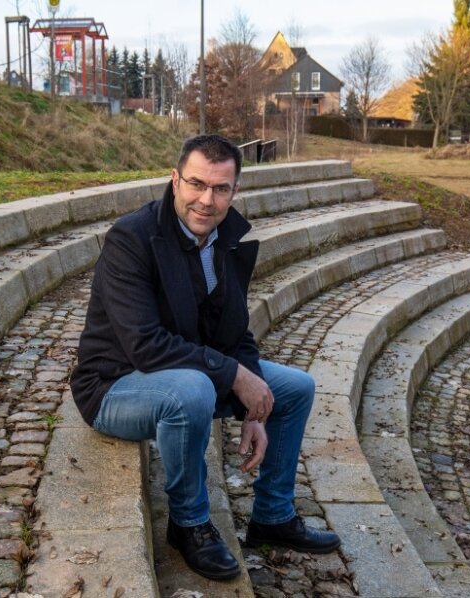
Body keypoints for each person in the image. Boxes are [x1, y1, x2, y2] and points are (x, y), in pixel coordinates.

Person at [70, 134, 340, 581]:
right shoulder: (132, 239)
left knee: (294, 389)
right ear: (175, 180)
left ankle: (273, 515)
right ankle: (189, 524)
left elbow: (236, 332)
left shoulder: (225, 240)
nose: (206, 200)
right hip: (116, 386)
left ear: (236, 192)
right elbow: (146, 345)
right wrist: (234, 377)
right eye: (196, 184)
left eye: (220, 189)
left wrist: (255, 399)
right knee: (192, 391)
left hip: (187, 374)